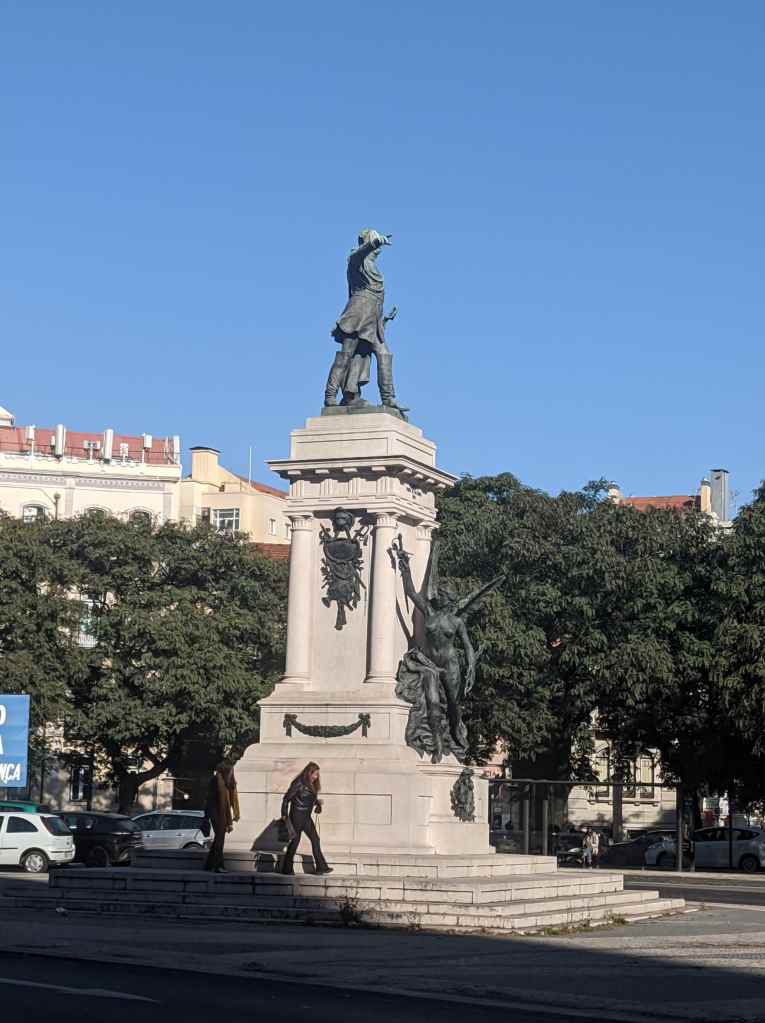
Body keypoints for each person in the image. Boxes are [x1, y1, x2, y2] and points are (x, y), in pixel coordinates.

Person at [323, 229, 407, 414]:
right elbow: (357, 255)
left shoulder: (374, 267)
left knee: (384, 354)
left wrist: (384, 320)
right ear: (367, 242)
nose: (377, 245)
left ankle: (388, 398)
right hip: (357, 315)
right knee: (346, 355)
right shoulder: (356, 261)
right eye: (373, 239)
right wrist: (374, 243)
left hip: (373, 319)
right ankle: (330, 395)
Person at [281, 762, 332, 876]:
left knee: (315, 839)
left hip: (306, 817)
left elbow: (308, 799)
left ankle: (321, 867)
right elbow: (286, 799)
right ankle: (287, 868)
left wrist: (317, 804)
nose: (316, 777)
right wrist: (284, 816)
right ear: (309, 773)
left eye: (317, 774)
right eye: (315, 774)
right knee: (295, 841)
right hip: (296, 816)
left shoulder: (311, 785)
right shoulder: (298, 783)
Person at [204, 761, 240, 873]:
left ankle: (209, 864)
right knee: (220, 839)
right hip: (217, 812)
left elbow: (229, 801)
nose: (232, 774)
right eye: (230, 772)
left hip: (221, 813)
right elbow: (221, 803)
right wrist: (228, 822)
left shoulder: (226, 783)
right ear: (226, 772)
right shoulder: (217, 781)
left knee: (219, 839)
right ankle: (218, 866)